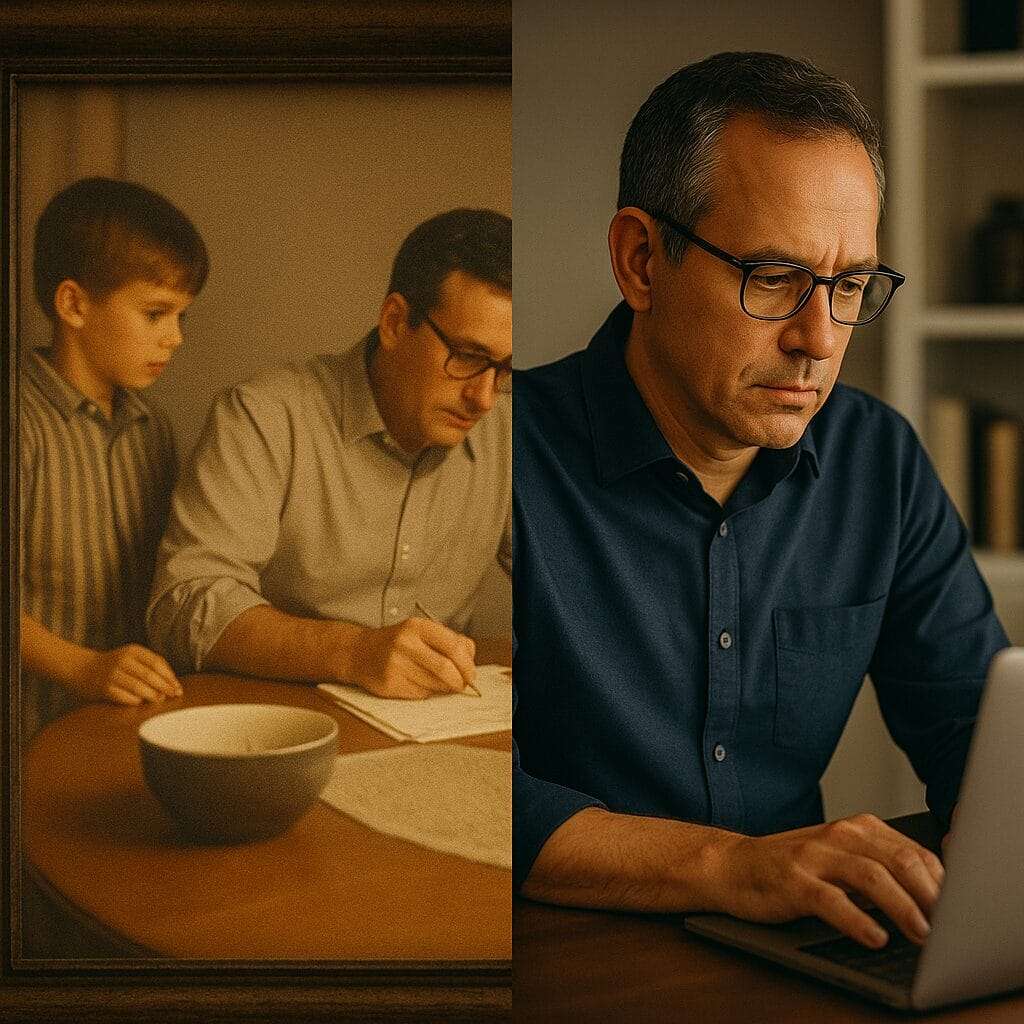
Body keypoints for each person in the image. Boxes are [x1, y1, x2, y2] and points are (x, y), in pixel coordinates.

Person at [512, 52, 1008, 952]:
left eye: (850, 284)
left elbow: (977, 729)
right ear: (640, 260)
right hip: (560, 963)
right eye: (774, 277)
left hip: (802, 953)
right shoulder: (498, 463)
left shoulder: (878, 462)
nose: (819, 339)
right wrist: (730, 867)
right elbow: (462, 792)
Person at [147, 208, 511, 700]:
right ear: (395, 321)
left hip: (440, 724)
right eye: (467, 357)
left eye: (507, 368)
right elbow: (185, 601)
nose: (484, 399)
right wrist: (353, 650)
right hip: (277, 726)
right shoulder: (266, 415)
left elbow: (570, 579)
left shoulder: (510, 429)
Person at [21, 176, 208, 737]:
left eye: (181, 316)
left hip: (124, 726)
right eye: (156, 314)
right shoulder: (20, 422)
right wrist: (84, 667)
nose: (175, 338)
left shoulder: (153, 431)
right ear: (74, 304)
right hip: (28, 737)